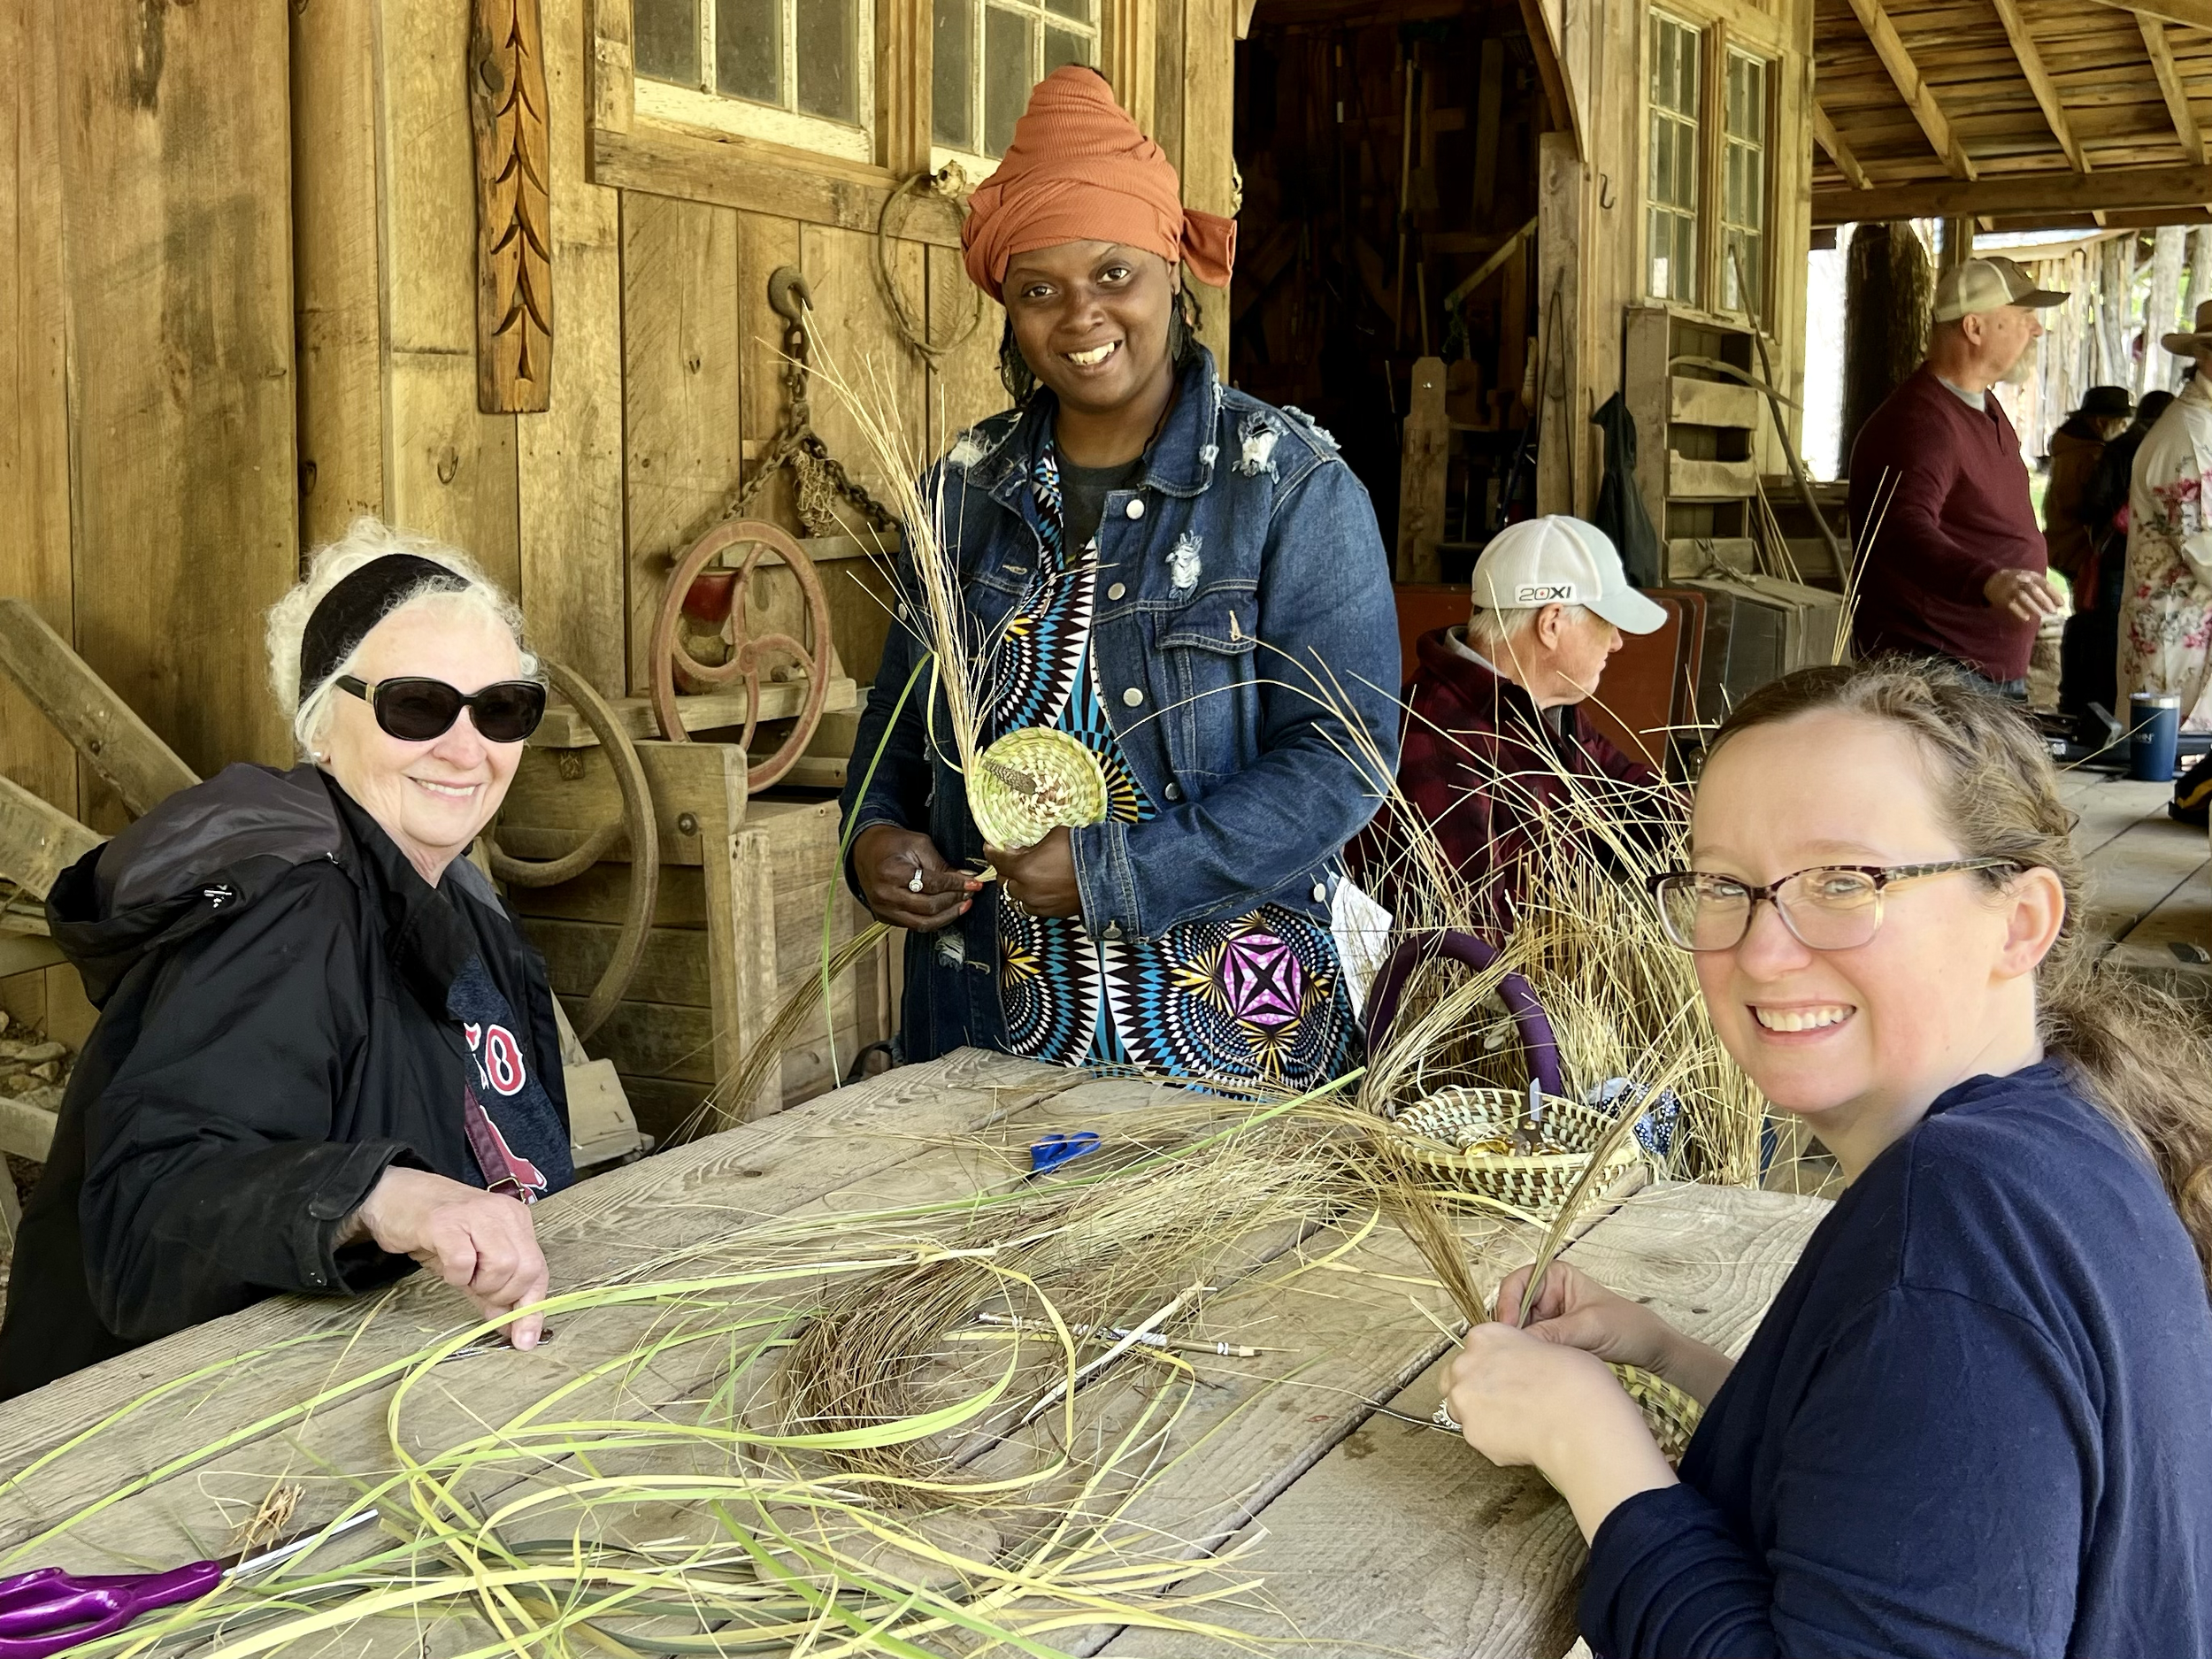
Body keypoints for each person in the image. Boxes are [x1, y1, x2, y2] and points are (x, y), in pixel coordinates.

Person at [1440, 660, 2212, 1657]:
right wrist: (1663, 1353)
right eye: (1725, 886)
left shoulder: (1956, 1225)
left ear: (2019, 922)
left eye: (1845, 880)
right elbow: (1909, 1481)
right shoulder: (2067, 1125)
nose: (1762, 951)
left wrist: (1587, 1445)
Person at [838, 66, 1398, 1089]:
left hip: (1235, 1045)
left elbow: (1343, 760)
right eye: (1038, 290)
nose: (1080, 316)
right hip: (989, 1031)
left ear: (1171, 275)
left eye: (1113, 275)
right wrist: (873, 837)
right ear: (1007, 306)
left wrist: (1113, 875)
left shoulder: (1283, 485)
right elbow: (895, 720)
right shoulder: (965, 491)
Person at [0, 520, 571, 1397]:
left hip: (420, 1382)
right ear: (321, 729)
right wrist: (379, 1198)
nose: (468, 749)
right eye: (416, 706)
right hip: (178, 1451)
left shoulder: (463, 901)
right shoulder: (288, 911)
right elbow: (146, 1215)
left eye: (501, 709)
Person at [1377, 515, 1669, 935]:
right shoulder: (1435, 741)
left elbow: (1634, 797)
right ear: (1551, 623)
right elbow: (1475, 941)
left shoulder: (1550, 710)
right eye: (1606, 622)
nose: (1618, 641)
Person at [1847, 256, 2069, 696]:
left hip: (1977, 667)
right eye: (2024, 316)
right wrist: (1987, 580)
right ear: (1975, 328)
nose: (2037, 329)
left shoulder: (1982, 407)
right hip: (1937, 671)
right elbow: (1902, 528)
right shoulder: (1920, 422)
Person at [2122, 304, 2212, 730]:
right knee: (2169, 774)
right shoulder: (2189, 437)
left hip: (2187, 631)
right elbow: (2206, 551)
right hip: (2179, 638)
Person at [2066, 388, 2173, 735]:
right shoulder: (2164, 447)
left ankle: (2102, 714)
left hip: (2115, 556)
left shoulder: (2118, 448)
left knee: (2107, 634)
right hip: (2149, 560)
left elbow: (2092, 502)